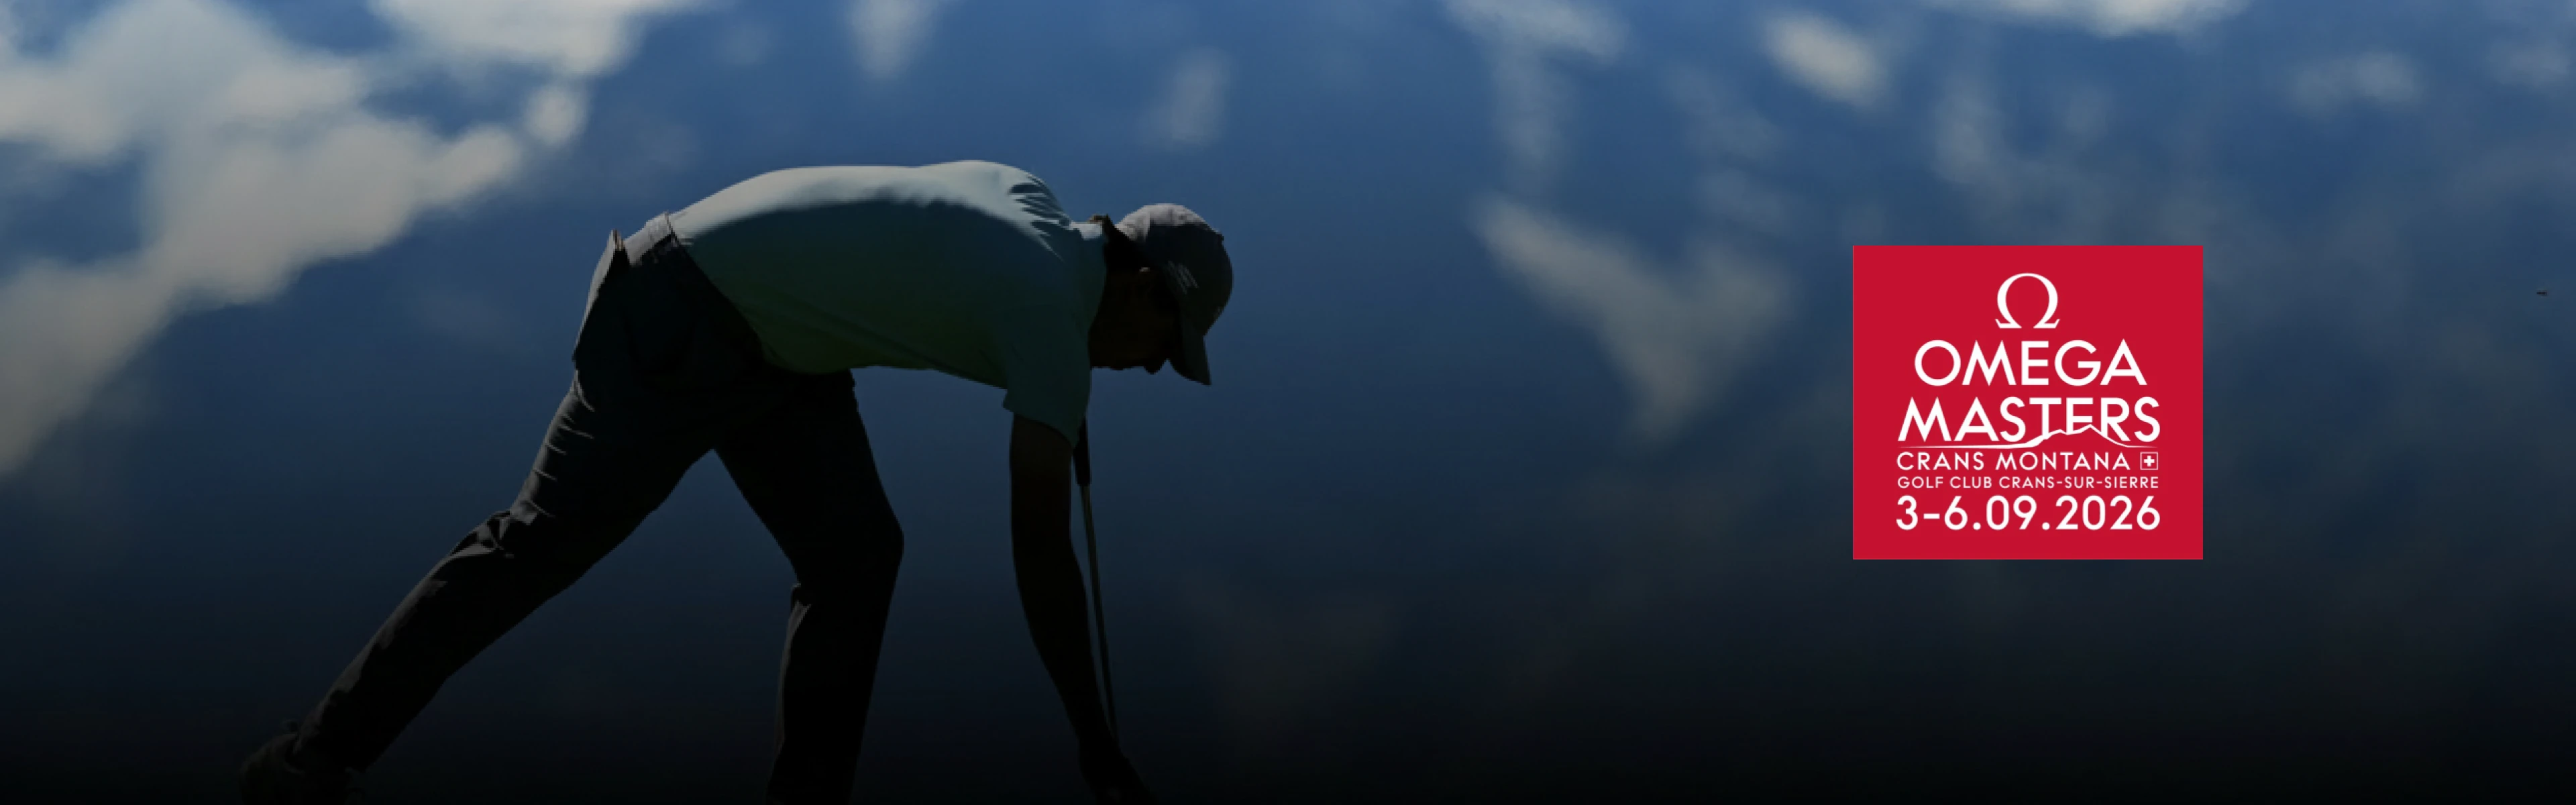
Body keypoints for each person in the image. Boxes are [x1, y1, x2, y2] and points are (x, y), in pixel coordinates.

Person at [238, 160, 1232, 805]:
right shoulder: (1051, 322)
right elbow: (1040, 551)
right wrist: (1095, 744)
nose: (1144, 368)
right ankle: (309, 764)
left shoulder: (1032, 201)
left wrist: (1061, 374)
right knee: (536, 548)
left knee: (858, 559)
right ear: (1145, 285)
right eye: (1160, 349)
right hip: (678, 315)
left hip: (768, 349)